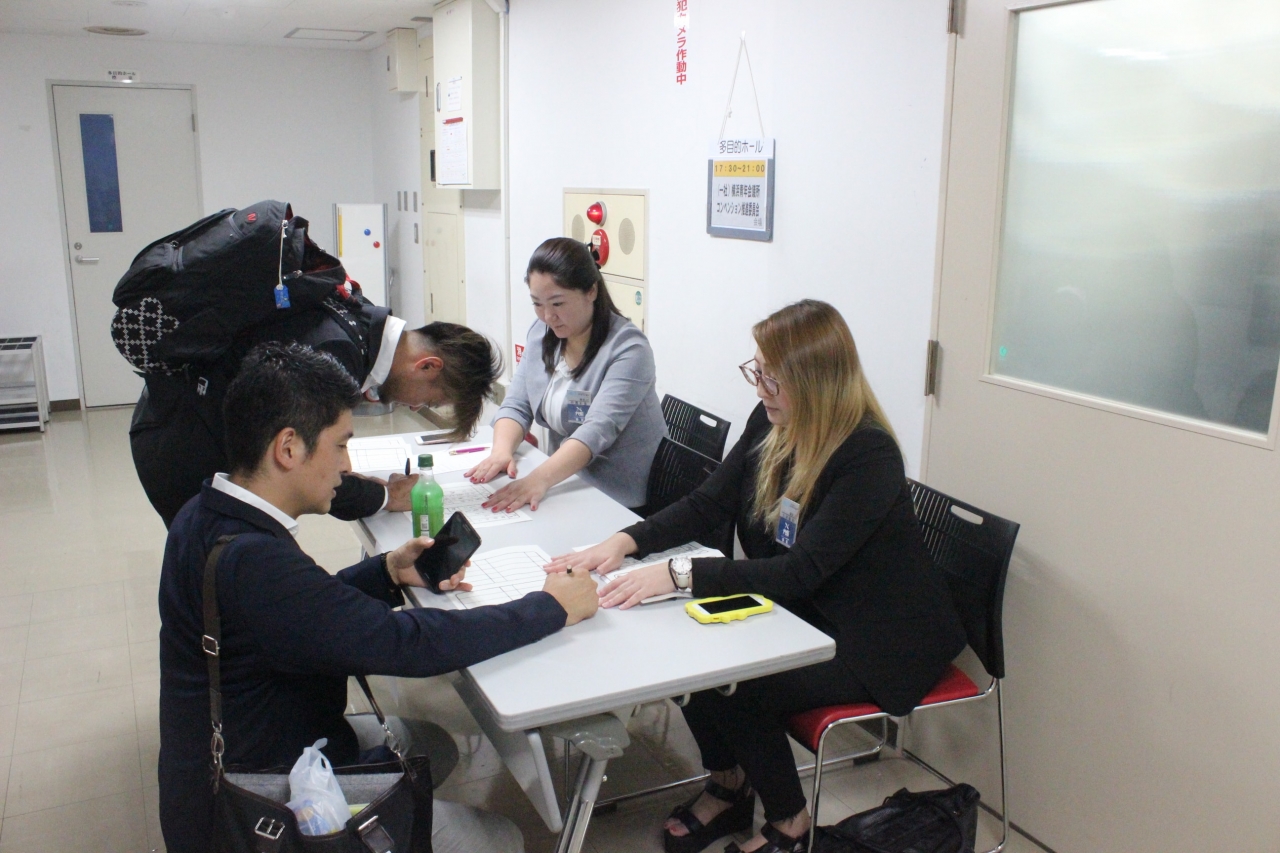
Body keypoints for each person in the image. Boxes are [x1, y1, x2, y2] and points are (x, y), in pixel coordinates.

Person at [550, 300, 966, 853]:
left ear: (816, 382)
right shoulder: (772, 420)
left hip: (880, 640)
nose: (761, 388)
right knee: (690, 651)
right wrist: (625, 542)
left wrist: (679, 574)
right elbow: (709, 501)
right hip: (811, 609)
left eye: (773, 378)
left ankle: (790, 824)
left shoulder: (868, 455)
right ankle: (729, 785)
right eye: (758, 372)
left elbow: (801, 570)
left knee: (739, 681)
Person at [157, 342, 599, 853]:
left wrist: (387, 571)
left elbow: (300, 614)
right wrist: (550, 607)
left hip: (246, 749)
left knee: (429, 747)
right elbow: (407, 644)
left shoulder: (206, 512)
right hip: (254, 804)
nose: (347, 467)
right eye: (341, 445)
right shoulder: (255, 561)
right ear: (288, 448)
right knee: (500, 841)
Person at [130, 281, 503, 527]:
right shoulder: (337, 353)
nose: (417, 407)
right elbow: (307, 466)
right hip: (184, 443)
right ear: (427, 366)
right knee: (214, 571)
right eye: (430, 400)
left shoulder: (360, 320)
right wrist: (386, 495)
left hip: (178, 413)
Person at [465, 237, 666, 514]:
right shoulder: (541, 333)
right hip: (565, 479)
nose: (548, 316)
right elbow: (517, 404)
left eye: (558, 303)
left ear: (591, 291)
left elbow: (596, 430)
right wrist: (501, 451)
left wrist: (536, 480)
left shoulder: (629, 349)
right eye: (537, 304)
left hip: (620, 495)